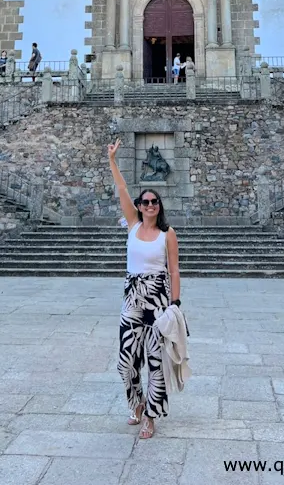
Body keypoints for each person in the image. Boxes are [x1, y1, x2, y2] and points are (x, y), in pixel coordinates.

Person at [109, 139, 181, 440]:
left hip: (158, 298)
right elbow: (123, 191)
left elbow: (174, 269)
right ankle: (136, 403)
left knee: (154, 360)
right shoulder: (132, 225)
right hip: (132, 295)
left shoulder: (168, 234)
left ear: (159, 207)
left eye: (155, 202)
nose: (150, 205)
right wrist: (112, 160)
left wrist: (175, 303)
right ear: (139, 207)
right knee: (125, 360)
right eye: (146, 202)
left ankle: (151, 416)